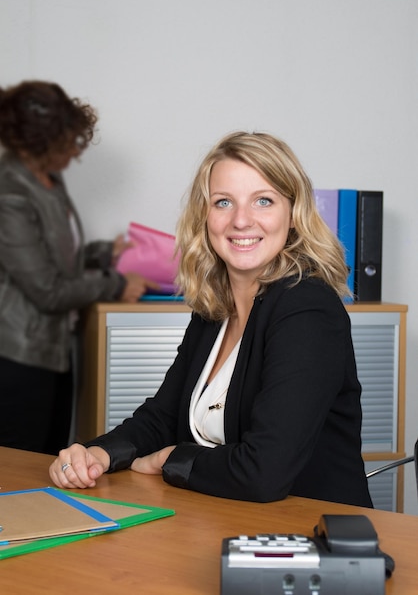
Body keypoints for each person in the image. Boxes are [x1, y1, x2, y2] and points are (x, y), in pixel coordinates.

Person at [49, 131, 373, 508]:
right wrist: (97, 455)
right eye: (223, 202)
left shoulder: (307, 309)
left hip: (310, 536)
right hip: (223, 520)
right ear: (205, 216)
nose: (241, 220)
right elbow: (163, 416)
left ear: (293, 213)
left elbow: (264, 474)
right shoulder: (214, 308)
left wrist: (171, 458)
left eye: (263, 201)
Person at [0, 80, 160, 455]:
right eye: (68, 142)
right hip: (18, 356)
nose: (76, 152)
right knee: (18, 467)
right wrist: (115, 284)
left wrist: (105, 252)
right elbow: (47, 288)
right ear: (42, 141)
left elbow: (54, 256)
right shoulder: (10, 194)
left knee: (46, 457)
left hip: (51, 348)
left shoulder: (49, 181)